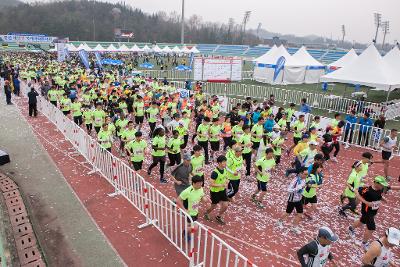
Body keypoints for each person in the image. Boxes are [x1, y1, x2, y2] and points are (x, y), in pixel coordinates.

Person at [348, 176, 400, 250]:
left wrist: (382, 199)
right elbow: (357, 193)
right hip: (367, 211)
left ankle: (351, 228)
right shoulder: (367, 190)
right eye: (381, 184)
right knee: (371, 228)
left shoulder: (380, 189)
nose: (382, 186)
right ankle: (364, 244)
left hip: (373, 211)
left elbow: (378, 196)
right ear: (376, 183)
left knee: (362, 221)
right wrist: (366, 202)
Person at [276, 167, 307, 234]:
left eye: (307, 174)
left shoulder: (304, 179)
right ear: (300, 173)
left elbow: (302, 187)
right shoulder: (295, 181)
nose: (306, 176)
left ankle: (294, 227)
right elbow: (289, 190)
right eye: (305, 174)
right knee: (288, 213)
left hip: (299, 199)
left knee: (300, 214)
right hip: (292, 200)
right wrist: (297, 188)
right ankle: (279, 221)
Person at [176, 175, 208, 240]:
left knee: (191, 226)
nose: (201, 185)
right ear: (194, 183)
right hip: (189, 213)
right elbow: (178, 200)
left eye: (201, 183)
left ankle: (186, 232)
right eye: (199, 184)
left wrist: (205, 199)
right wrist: (184, 210)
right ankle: (185, 232)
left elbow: (201, 196)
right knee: (195, 227)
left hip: (195, 211)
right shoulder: (187, 191)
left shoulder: (200, 188)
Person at [204, 155, 229, 225]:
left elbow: (226, 177)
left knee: (226, 205)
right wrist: (220, 185)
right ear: (219, 163)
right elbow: (211, 184)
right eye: (224, 162)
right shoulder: (214, 173)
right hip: (215, 192)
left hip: (222, 190)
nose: (225, 163)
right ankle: (206, 213)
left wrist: (227, 181)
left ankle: (219, 216)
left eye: (225, 162)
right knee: (214, 206)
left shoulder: (225, 170)